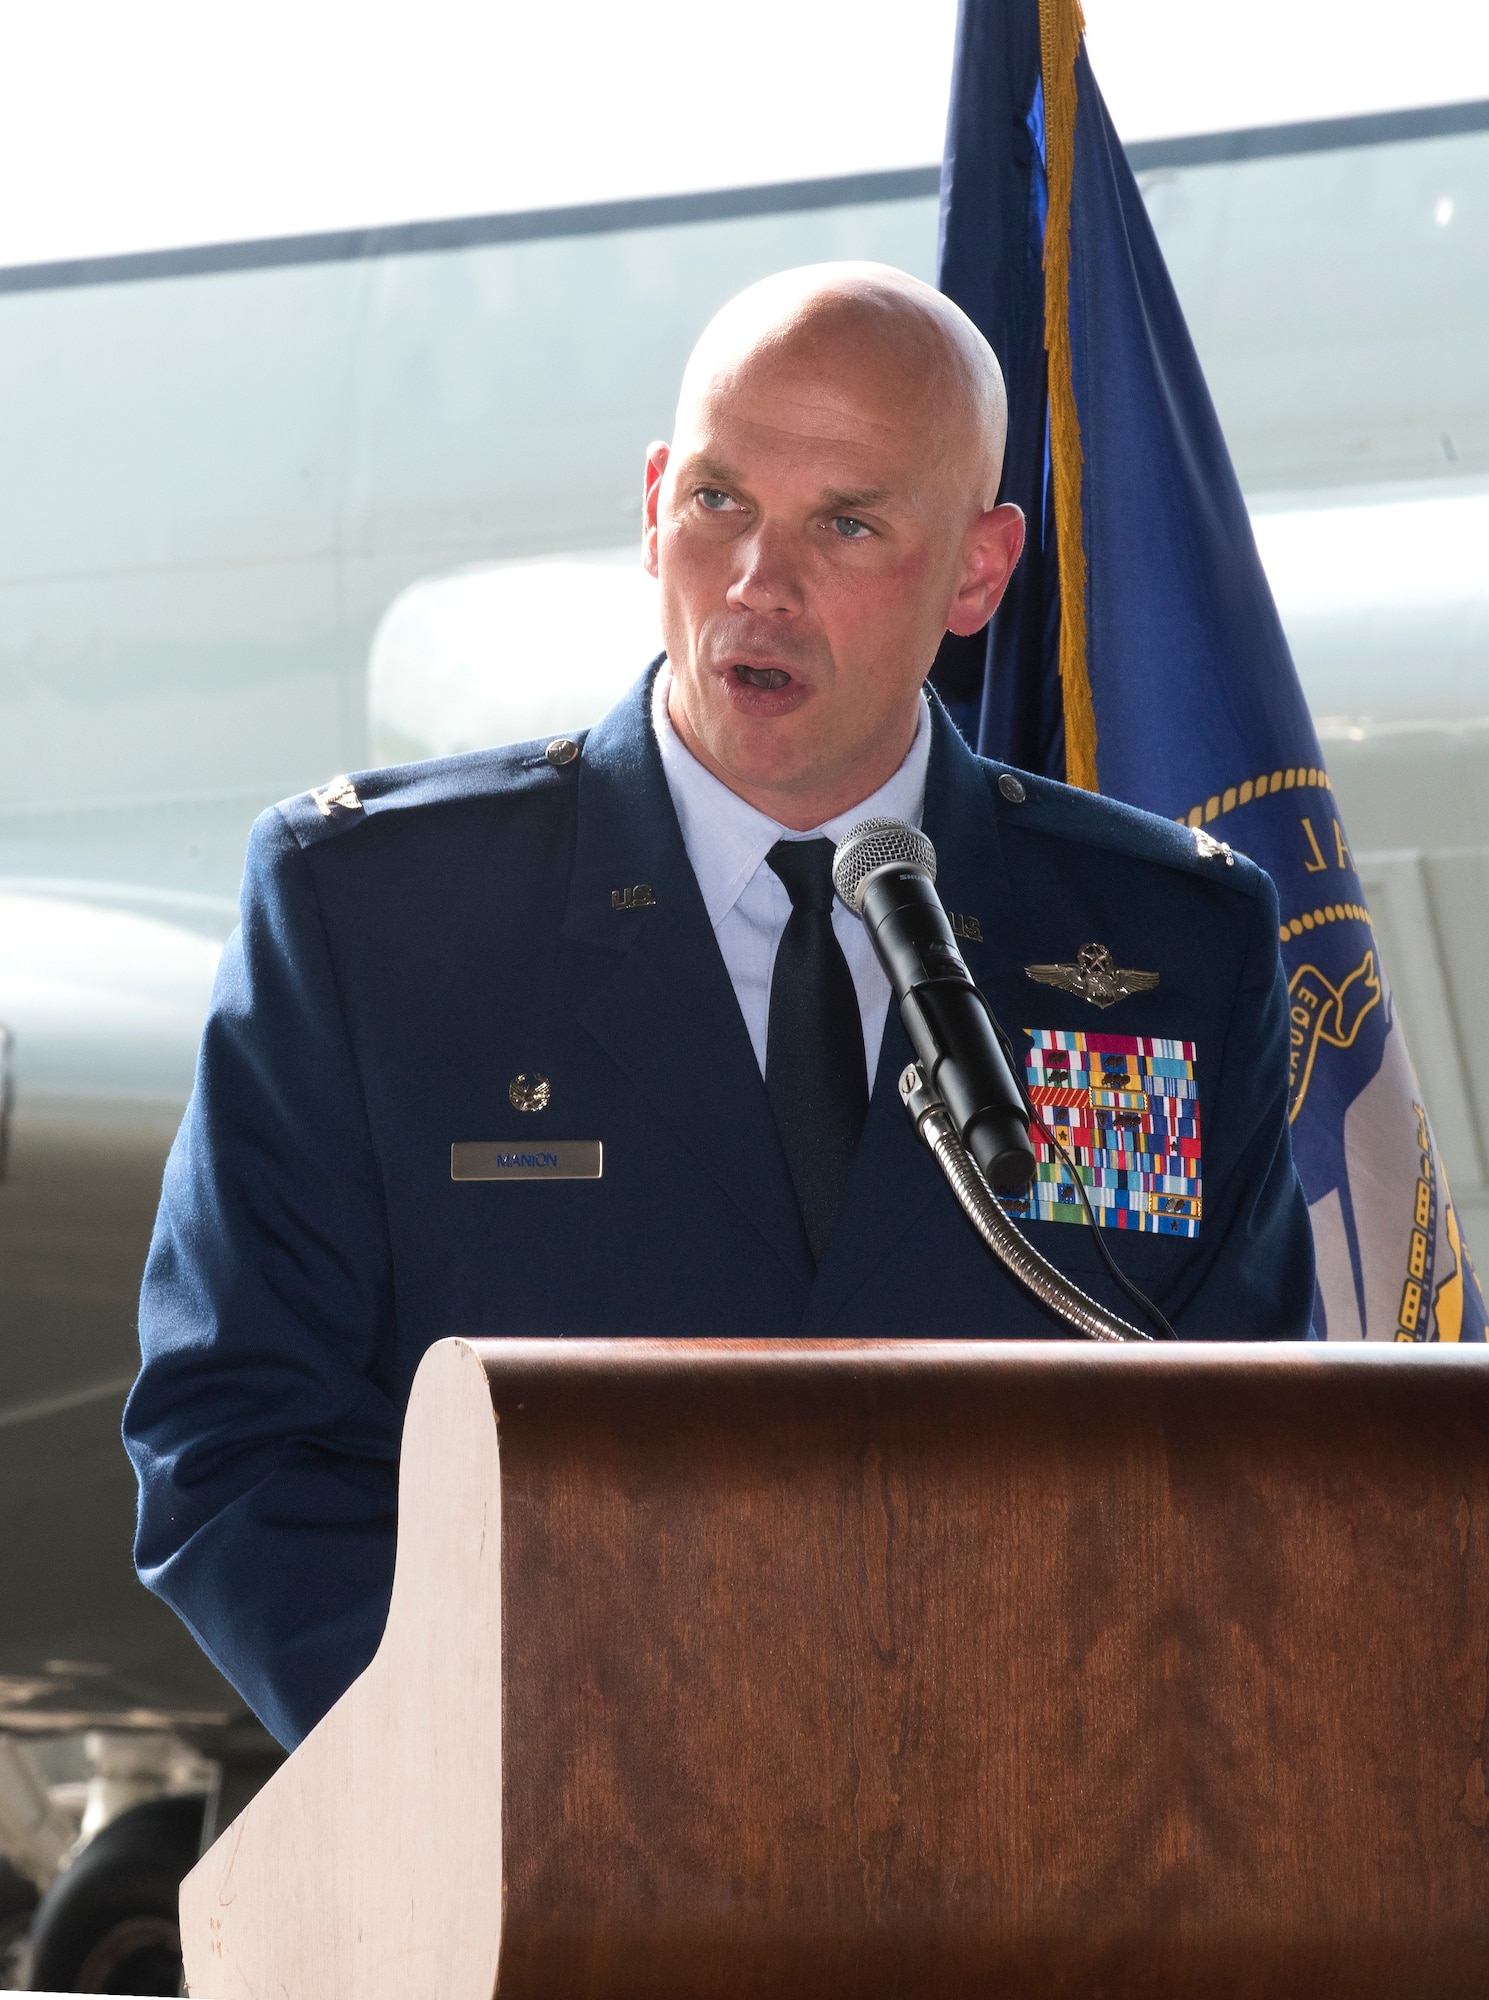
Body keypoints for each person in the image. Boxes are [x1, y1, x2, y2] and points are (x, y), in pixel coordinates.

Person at [125, 264, 1314, 1749]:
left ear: (977, 572)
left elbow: (1256, 1467)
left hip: (1026, 1872)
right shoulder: (377, 915)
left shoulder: (1165, 946)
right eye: (717, 502)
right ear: (649, 504)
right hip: (541, 1881)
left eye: (848, 524)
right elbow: (233, 1439)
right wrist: (514, 1775)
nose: (758, 583)